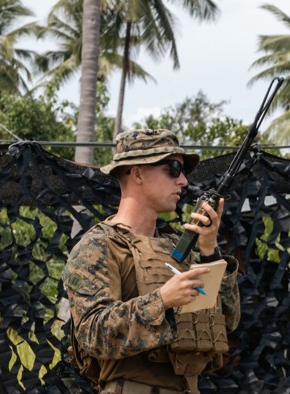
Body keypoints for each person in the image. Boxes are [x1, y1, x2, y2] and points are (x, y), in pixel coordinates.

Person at [62, 129, 240, 394]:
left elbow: (226, 322)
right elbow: (93, 334)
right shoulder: (100, 246)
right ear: (137, 173)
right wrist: (162, 300)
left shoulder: (179, 250)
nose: (183, 181)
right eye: (173, 168)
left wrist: (209, 251)